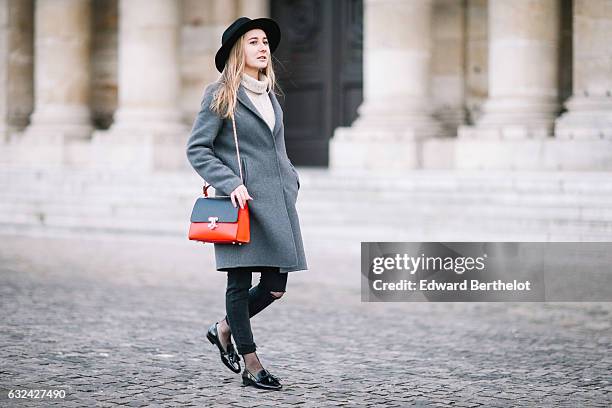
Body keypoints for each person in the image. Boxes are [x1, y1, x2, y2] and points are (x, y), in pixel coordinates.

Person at [185, 17, 308, 391]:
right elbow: (198, 149)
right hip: (240, 201)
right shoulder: (219, 93)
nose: (263, 46)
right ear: (239, 50)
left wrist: (290, 177)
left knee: (274, 286)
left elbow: (275, 147)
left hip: (276, 203)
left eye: (266, 41)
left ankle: (222, 327)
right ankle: (252, 365)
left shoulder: (270, 94)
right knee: (238, 284)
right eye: (254, 41)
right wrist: (231, 182)